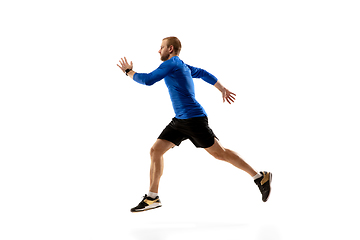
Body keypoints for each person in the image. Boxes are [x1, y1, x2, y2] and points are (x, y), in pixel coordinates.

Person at [117, 36, 272, 212]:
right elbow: (203, 73)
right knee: (156, 150)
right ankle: (152, 197)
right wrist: (221, 88)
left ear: (170, 49)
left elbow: (148, 80)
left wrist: (128, 72)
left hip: (193, 119)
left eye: (161, 47)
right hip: (180, 120)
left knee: (220, 154)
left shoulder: (172, 63)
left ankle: (260, 177)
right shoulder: (181, 65)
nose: (158, 50)